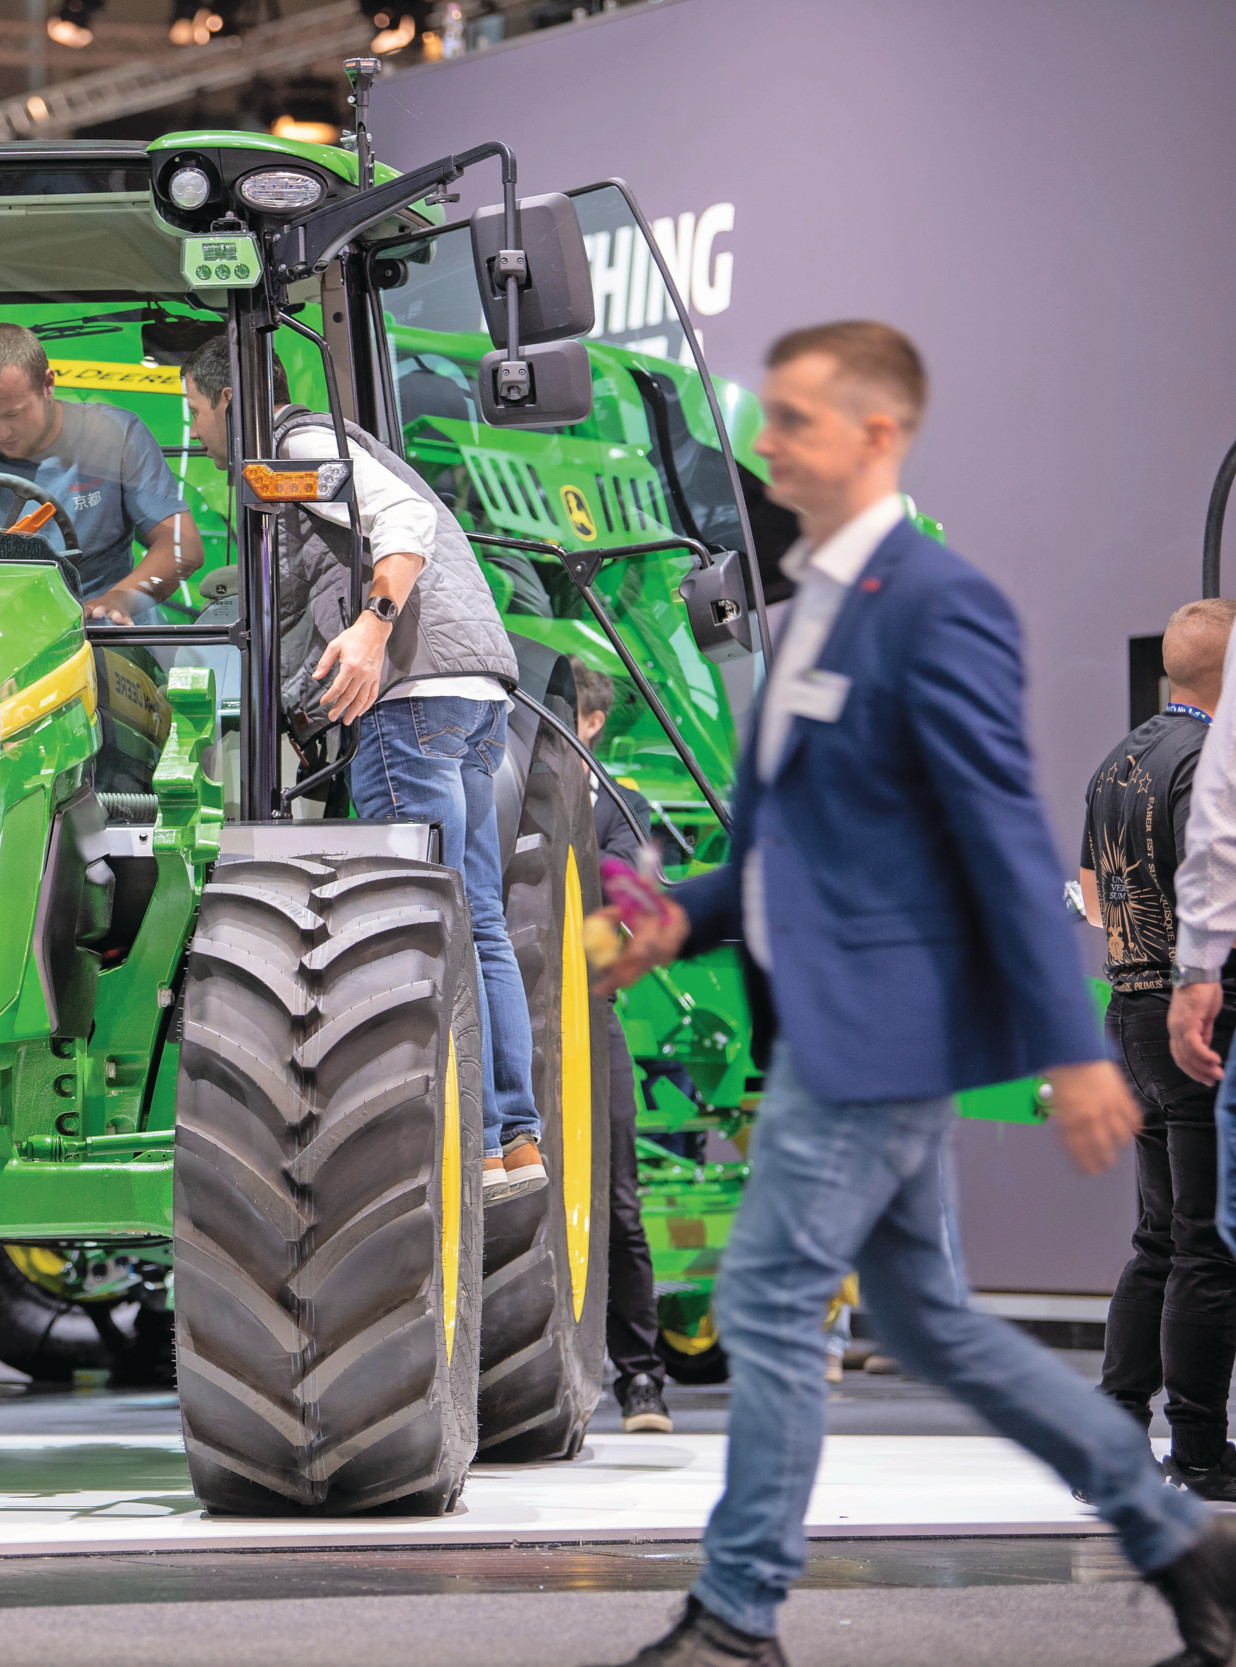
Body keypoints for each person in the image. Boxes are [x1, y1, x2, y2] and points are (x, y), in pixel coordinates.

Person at [590, 320, 1233, 1666]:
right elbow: (785, 854)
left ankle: (737, 1610)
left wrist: (1072, 1044)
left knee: (765, 1295)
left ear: (877, 435)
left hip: (881, 1034)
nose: (765, 446)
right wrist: (676, 922)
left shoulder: (940, 600)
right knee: (931, 1323)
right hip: (836, 1023)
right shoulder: (814, 601)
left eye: (794, 422)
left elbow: (998, 830)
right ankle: (1179, 1539)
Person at [182, 335, 545, 1198]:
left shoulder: (301, 442)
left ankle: (465, 1143)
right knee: (476, 916)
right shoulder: (311, 470)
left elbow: (404, 524)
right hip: (476, 696)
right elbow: (303, 583)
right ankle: (513, 1138)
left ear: (231, 402)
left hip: (412, 702)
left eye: (195, 412)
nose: (194, 432)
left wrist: (375, 627)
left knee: (416, 920)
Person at [1078, 600, 1236, 1498]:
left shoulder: (1116, 761)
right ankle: (1204, 1451)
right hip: (1197, 1021)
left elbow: (1097, 901)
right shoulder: (1214, 761)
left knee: (1158, 1239)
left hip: (1127, 1015)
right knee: (1208, 1245)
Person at [0, 323, 203, 624]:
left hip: (109, 632)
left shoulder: (115, 436)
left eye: (13, 414)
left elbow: (183, 547)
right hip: (3, 635)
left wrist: (118, 600)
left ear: (48, 383)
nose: (0, 433)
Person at [573, 664, 670, 1434]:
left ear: (594, 720)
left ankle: (641, 1377)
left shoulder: (625, 810)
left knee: (618, 1202)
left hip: (589, 1008)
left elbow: (640, 912)